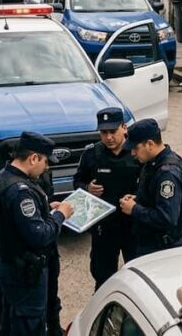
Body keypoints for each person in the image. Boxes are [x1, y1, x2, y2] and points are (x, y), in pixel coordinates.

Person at [0, 132, 73, 336]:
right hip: (24, 273)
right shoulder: (20, 191)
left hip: (10, 265)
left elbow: (15, 220)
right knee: (29, 325)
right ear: (33, 158)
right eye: (45, 161)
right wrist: (60, 215)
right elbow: (39, 235)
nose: (47, 167)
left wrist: (44, 209)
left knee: (8, 320)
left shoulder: (2, 177)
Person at [73, 108, 140, 290]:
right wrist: (87, 188)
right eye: (104, 132)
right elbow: (77, 182)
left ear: (124, 128)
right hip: (104, 227)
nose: (109, 137)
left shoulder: (136, 152)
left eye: (113, 131)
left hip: (132, 227)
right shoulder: (92, 155)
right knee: (103, 278)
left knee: (138, 277)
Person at [118, 119, 182, 259]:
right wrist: (138, 199)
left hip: (162, 251)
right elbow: (155, 198)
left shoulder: (168, 174)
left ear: (150, 144)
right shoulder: (152, 163)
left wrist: (134, 209)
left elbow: (166, 218)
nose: (132, 153)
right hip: (150, 244)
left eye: (135, 148)